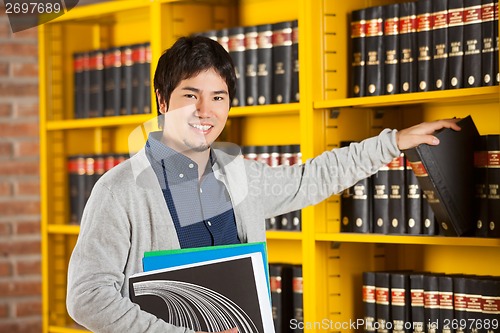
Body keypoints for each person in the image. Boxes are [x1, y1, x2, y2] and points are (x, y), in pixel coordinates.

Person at [66, 35, 460, 333]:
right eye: (191, 95)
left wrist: (394, 142)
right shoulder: (118, 191)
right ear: (163, 101)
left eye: (218, 97)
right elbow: (87, 298)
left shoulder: (240, 176)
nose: (205, 111)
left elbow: (313, 177)